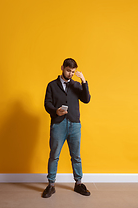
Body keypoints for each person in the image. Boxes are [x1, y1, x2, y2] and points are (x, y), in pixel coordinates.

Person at [42, 58, 91, 198]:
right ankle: (51, 185)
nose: (70, 74)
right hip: (58, 124)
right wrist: (55, 111)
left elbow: (86, 99)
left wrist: (84, 81)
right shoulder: (52, 85)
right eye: (68, 70)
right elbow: (47, 103)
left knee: (76, 156)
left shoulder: (76, 85)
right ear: (62, 68)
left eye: (73, 72)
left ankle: (79, 184)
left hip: (75, 124)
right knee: (54, 155)